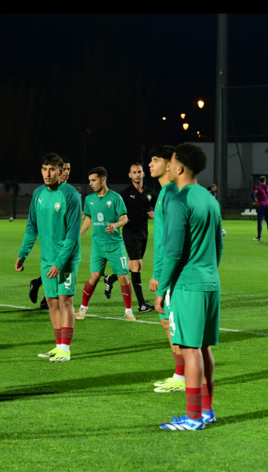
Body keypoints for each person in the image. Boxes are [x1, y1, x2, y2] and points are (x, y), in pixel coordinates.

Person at [155, 143, 222, 431]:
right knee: (204, 348)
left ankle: (193, 418)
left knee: (190, 349)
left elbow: (172, 251)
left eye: (170, 162)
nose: (168, 167)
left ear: (180, 168)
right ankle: (206, 411)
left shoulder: (179, 200)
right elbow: (218, 246)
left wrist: (161, 289)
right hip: (210, 283)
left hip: (188, 285)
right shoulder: (210, 199)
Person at [16, 153, 81, 362]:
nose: (48, 173)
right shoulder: (38, 194)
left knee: (65, 300)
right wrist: (22, 254)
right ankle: (58, 345)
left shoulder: (71, 195)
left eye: (52, 169)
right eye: (44, 169)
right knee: (52, 301)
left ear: (61, 171)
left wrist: (60, 263)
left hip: (67, 258)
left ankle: (66, 349)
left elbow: (72, 234)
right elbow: (31, 227)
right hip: (46, 259)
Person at [147, 145, 186, 393]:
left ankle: (182, 377)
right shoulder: (163, 193)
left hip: (173, 275)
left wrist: (160, 276)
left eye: (155, 159)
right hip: (167, 272)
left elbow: (171, 242)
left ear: (170, 165)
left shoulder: (171, 194)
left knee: (174, 324)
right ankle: (179, 374)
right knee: (166, 322)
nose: (150, 164)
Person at [77, 166, 135, 321]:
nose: (91, 184)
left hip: (115, 245)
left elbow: (124, 218)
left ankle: (128, 311)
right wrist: (77, 238)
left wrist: (116, 225)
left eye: (94, 180)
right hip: (98, 245)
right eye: (89, 181)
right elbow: (88, 220)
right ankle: (82, 309)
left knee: (123, 278)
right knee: (94, 277)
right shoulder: (89, 199)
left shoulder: (116, 198)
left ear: (103, 180)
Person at [29, 158, 71, 309]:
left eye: (68, 169)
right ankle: (46, 297)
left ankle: (40, 289)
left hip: (63, 240)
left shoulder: (69, 192)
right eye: (64, 169)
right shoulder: (47, 192)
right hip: (54, 240)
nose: (66, 172)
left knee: (56, 268)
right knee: (57, 267)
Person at [119, 163, 157, 313]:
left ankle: (111, 278)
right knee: (138, 266)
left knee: (133, 265)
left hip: (144, 231)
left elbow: (159, 209)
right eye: (134, 172)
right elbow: (116, 210)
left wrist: (156, 214)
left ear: (143, 173)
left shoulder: (150, 192)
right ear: (130, 175)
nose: (137, 175)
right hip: (130, 231)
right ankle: (141, 304)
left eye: (139, 172)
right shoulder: (125, 194)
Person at [252, 176, 268, 241]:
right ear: (265, 181)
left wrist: (255, 201)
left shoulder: (258, 188)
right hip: (267, 204)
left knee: (260, 220)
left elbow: (253, 195)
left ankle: (259, 237)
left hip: (260, 204)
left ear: (259, 181)